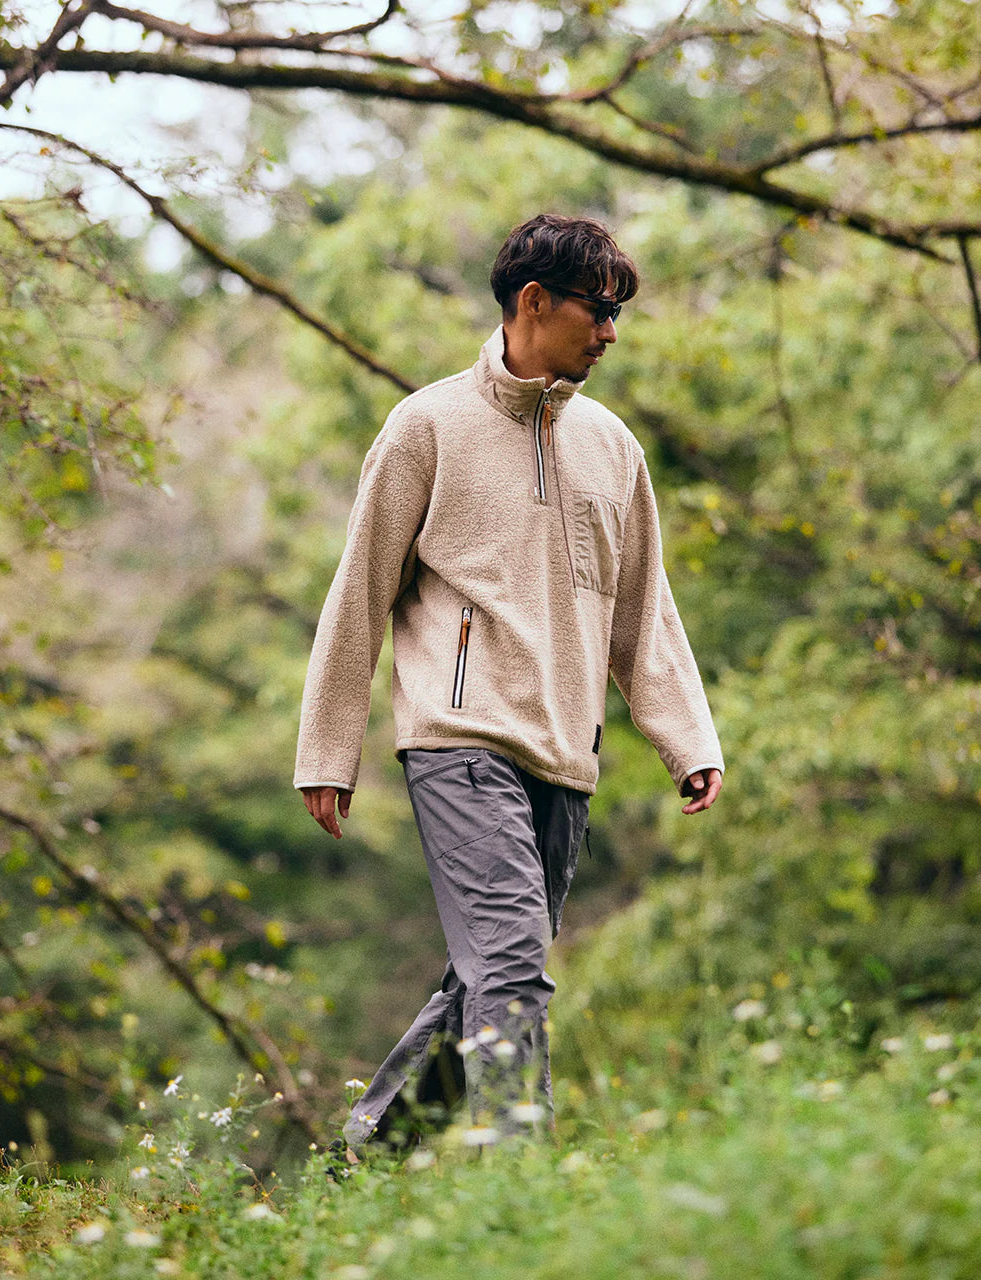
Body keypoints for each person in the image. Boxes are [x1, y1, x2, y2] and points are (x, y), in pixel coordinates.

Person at [294, 213, 723, 1151]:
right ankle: (519, 1174)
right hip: (458, 740)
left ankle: (365, 1164)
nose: (610, 333)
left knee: (488, 974)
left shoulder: (613, 447)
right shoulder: (426, 427)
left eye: (616, 314)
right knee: (514, 968)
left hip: (565, 754)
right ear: (533, 301)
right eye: (597, 310)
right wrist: (327, 751)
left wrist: (685, 735)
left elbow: (642, 609)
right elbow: (359, 591)